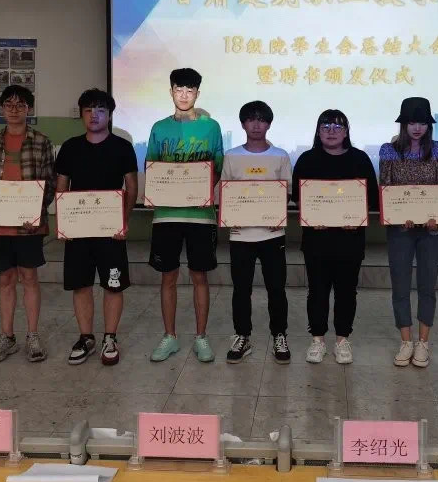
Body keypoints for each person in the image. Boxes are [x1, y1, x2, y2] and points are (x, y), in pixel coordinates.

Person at [147, 68, 225, 364]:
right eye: (178, 89)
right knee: (168, 276)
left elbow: (217, 167)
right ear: (171, 92)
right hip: (166, 215)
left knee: (199, 276)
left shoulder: (211, 127)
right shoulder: (159, 128)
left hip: (200, 215)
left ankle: (201, 337)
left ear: (197, 94)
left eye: (189, 90)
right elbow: (153, 167)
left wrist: (197, 191)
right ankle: (170, 336)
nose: (184, 95)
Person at [55, 89, 138, 366]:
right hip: (78, 229)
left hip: (110, 230)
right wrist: (63, 223)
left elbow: (131, 187)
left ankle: (110, 337)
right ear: (81, 114)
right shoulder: (70, 147)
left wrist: (124, 221)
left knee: (113, 284)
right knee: (81, 284)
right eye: (89, 110)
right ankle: (86, 337)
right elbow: (61, 187)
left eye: (101, 110)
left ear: (110, 115)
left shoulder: (122, 147)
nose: (94, 115)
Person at [0, 84, 55, 365]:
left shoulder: (42, 142)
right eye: (9, 104)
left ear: (29, 109)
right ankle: (7, 337)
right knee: (5, 279)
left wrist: (36, 213)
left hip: (28, 225)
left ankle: (32, 335)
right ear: (2, 109)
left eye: (21, 105)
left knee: (29, 278)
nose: (14, 109)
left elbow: (49, 184)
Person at [291, 109, 378, 365]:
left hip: (350, 239)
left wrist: (356, 216)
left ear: (346, 131)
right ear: (318, 131)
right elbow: (298, 197)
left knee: (346, 291)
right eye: (325, 126)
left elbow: (371, 197)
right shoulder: (307, 159)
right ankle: (317, 339)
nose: (331, 131)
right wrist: (312, 215)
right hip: (316, 240)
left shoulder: (360, 159)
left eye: (338, 126)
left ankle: (342, 339)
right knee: (317, 291)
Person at [220, 101, 292, 364]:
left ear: (269, 124)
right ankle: (242, 336)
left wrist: (278, 214)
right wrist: (230, 216)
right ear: (243, 124)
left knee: (276, 289)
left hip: (272, 234)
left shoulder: (280, 156)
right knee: (241, 289)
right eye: (251, 119)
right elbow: (225, 190)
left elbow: (286, 193)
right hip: (241, 235)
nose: (256, 124)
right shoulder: (232, 156)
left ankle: (279, 335)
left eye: (262, 119)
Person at [378, 97, 438, 368]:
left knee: (427, 285)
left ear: (429, 125)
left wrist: (436, 219)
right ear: (403, 124)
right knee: (400, 285)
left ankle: (423, 342)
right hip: (400, 230)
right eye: (411, 122)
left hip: (430, 230)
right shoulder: (388, 150)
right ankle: (406, 340)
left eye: (423, 122)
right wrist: (397, 217)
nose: (417, 128)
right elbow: (385, 187)